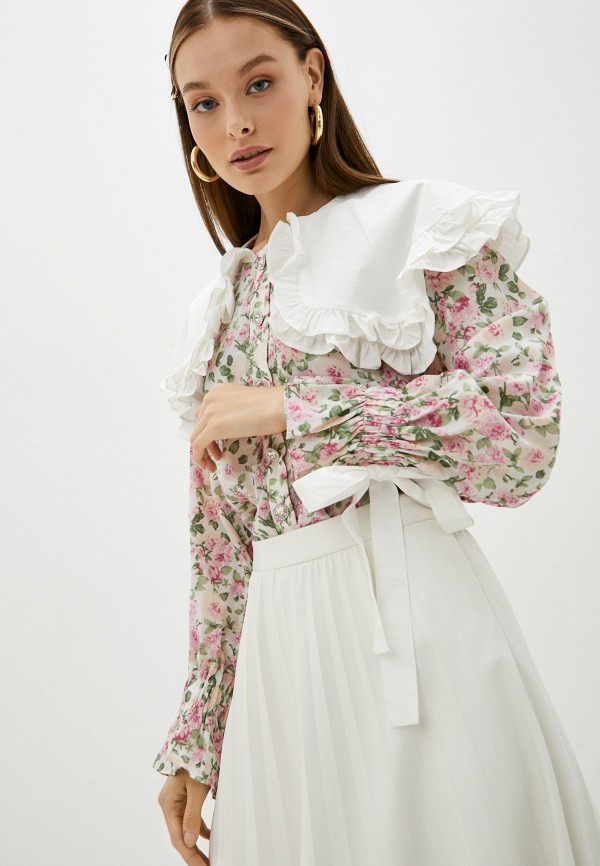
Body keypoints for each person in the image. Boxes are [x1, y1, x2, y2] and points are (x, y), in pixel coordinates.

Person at [152, 1, 600, 864]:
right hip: (280, 665)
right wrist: (197, 736)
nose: (236, 121)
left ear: (312, 75)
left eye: (259, 83)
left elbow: (522, 438)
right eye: (203, 102)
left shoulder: (425, 229)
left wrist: (300, 407)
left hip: (415, 628)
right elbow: (222, 547)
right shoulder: (217, 312)